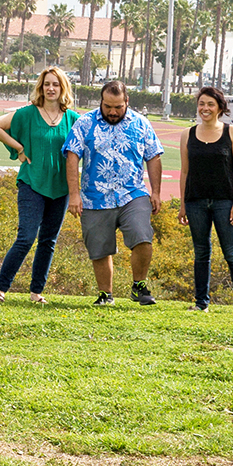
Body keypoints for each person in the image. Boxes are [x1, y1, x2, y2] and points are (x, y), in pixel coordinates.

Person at [0, 67, 80, 304]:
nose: (51, 88)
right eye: (47, 84)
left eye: (56, 84)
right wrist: (18, 148)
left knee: (48, 240)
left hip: (60, 188)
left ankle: (36, 293)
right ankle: (0, 289)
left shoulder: (73, 119)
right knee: (26, 237)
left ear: (63, 88)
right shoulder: (27, 114)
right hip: (32, 183)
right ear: (41, 87)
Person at [63, 81, 164, 307]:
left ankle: (139, 285)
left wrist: (156, 192)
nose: (112, 112)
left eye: (117, 107)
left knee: (142, 236)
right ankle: (105, 294)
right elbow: (71, 156)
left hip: (132, 194)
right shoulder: (85, 123)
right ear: (101, 100)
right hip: (94, 196)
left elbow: (154, 156)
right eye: (108, 106)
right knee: (99, 248)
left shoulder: (141, 123)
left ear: (126, 101)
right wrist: (74, 195)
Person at [178, 86, 233, 314]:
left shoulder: (232, 133)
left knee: (232, 254)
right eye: (201, 104)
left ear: (220, 107)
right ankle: (201, 303)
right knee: (201, 253)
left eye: (210, 104)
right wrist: (183, 205)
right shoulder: (187, 134)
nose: (205, 108)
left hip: (224, 202)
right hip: (196, 201)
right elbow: (184, 172)